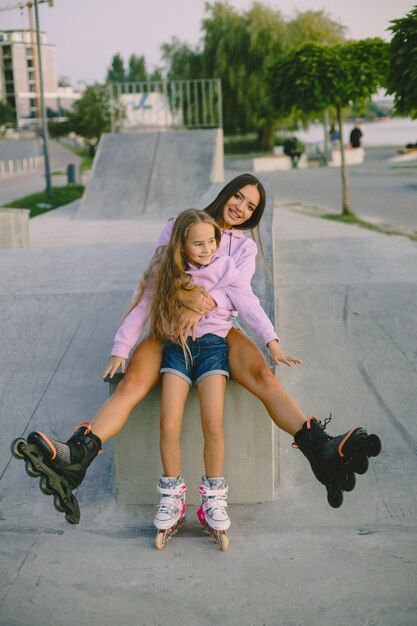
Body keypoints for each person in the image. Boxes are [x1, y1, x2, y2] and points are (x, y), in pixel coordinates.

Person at [11, 173, 381, 524]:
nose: (241, 207)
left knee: (261, 373)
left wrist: (213, 306)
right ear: (227, 192)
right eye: (238, 196)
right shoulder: (179, 224)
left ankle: (320, 449)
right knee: (132, 382)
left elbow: (240, 296)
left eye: (251, 206)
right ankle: (78, 454)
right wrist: (138, 333)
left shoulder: (243, 247)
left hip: (219, 331)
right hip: (167, 326)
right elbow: (155, 281)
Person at [138, 208, 283, 549]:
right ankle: (173, 496)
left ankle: (213, 498)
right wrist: (120, 348)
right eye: (198, 244)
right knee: (168, 424)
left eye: (212, 242)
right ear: (182, 245)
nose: (206, 249)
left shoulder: (226, 269)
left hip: (214, 349)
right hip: (176, 348)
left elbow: (249, 304)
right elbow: (141, 308)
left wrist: (271, 340)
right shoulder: (168, 273)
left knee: (213, 424)